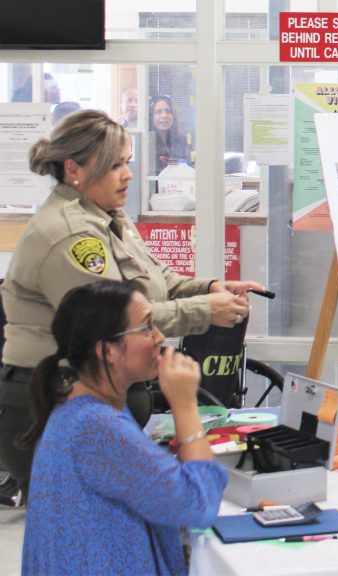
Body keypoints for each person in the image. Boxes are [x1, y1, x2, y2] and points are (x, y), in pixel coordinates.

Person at [0, 110, 258, 501]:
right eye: (115, 165)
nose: (128, 175)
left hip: (98, 392)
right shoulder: (69, 235)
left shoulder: (107, 217)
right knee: (78, 525)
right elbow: (117, 322)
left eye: (128, 163)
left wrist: (210, 287)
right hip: (54, 397)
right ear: (75, 169)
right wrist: (206, 310)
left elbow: (155, 281)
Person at [19, 281, 227, 575]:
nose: (159, 337)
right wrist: (185, 405)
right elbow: (198, 506)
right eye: (146, 328)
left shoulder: (78, 407)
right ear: (107, 350)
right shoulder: (96, 427)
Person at [150, 95, 193, 173]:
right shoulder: (148, 144)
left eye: (168, 111)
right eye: (158, 112)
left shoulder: (182, 141)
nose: (164, 115)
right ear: (151, 117)